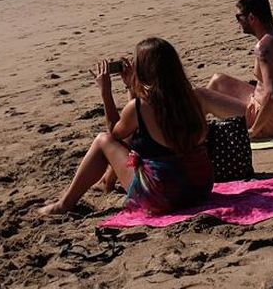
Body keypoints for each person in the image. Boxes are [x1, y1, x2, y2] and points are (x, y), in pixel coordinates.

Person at [37, 38, 213, 216]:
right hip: (199, 189)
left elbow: (116, 133)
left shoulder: (142, 106)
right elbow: (136, 131)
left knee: (102, 140)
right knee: (138, 142)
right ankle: (107, 181)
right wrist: (130, 87)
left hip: (164, 196)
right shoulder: (194, 97)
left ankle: (64, 205)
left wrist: (106, 92)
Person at [194, 0, 273, 140]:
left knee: (199, 95)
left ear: (251, 18)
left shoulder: (264, 48)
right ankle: (194, 128)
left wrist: (254, 130)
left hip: (271, 124)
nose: (237, 21)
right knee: (218, 80)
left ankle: (187, 137)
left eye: (239, 17)